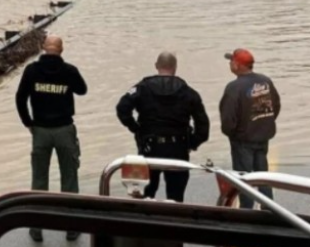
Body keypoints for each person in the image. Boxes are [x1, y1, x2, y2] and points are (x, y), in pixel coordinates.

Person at [15, 35, 87, 242]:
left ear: (43, 48)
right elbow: (82, 90)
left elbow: (20, 98)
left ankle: (37, 228)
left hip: (40, 131)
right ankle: (71, 228)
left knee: (39, 179)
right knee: (69, 179)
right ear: (61, 50)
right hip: (64, 130)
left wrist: (28, 123)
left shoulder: (31, 71)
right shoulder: (69, 71)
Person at [116, 52, 210, 203]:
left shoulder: (142, 88)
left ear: (156, 66)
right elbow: (203, 125)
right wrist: (192, 143)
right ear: (175, 67)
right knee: (176, 197)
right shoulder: (188, 92)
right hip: (178, 148)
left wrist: (136, 128)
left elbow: (122, 108)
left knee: (145, 195)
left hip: (149, 147)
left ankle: (147, 217)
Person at [220, 48, 281, 209]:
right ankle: (269, 208)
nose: (230, 64)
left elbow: (228, 119)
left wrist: (232, 134)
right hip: (263, 137)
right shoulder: (265, 81)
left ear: (237, 65)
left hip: (242, 141)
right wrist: (264, 124)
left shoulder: (234, 88)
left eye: (231, 61)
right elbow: (275, 106)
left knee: (244, 179)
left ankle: (246, 212)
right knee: (263, 176)